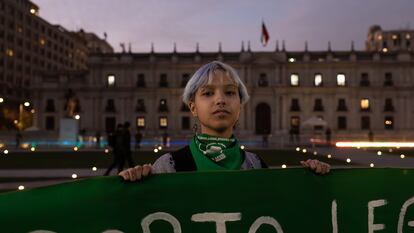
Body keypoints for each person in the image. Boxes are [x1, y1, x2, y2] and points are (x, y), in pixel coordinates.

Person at [119, 61, 330, 181]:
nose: (220, 100)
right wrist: (129, 183)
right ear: (193, 107)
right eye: (208, 93)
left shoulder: (256, 166)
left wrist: (312, 178)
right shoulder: (166, 168)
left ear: (240, 107)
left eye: (230, 92)